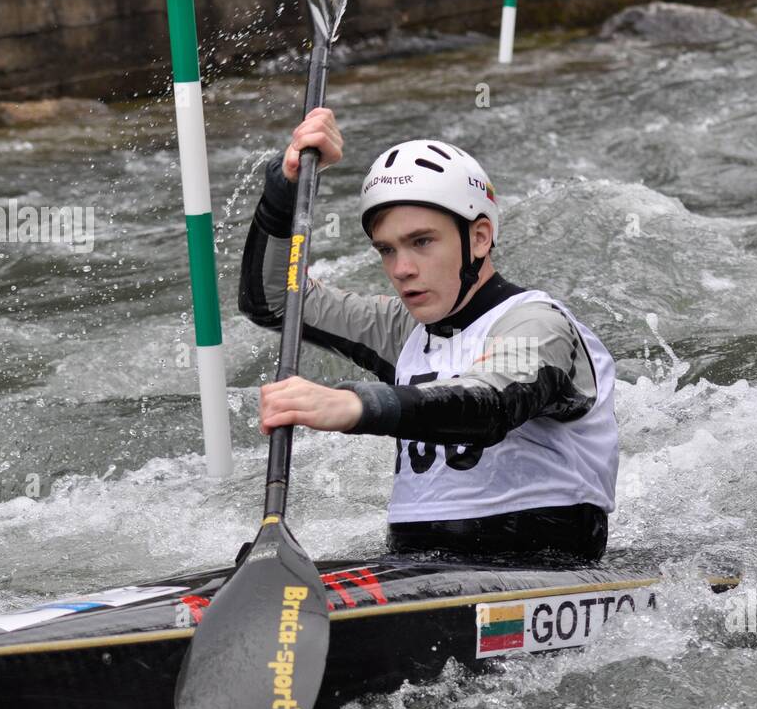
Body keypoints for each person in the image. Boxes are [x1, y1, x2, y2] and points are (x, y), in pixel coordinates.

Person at [239, 108, 618, 562]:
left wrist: (356, 405)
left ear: (479, 238)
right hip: (416, 566)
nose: (401, 269)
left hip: (544, 565)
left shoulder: (537, 323)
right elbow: (275, 299)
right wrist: (286, 190)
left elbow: (490, 404)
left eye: (422, 242)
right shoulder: (403, 329)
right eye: (387, 249)